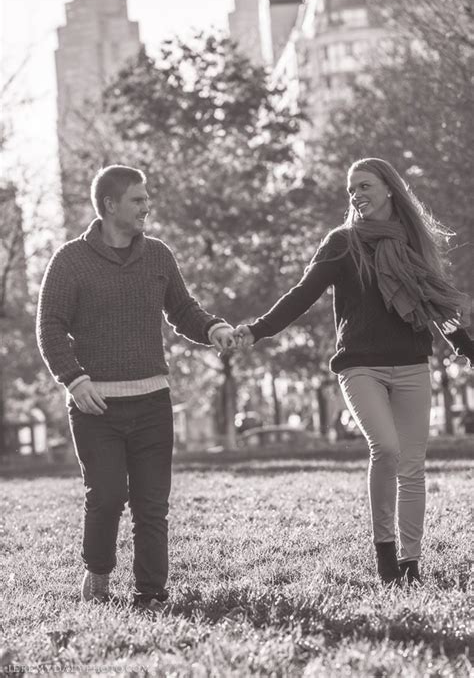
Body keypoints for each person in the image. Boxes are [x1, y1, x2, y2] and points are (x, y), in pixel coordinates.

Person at [234, 157, 474, 586]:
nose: (356, 195)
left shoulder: (412, 242)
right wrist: (257, 330)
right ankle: (385, 553)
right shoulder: (342, 243)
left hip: (412, 364)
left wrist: (464, 344)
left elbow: (431, 301)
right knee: (386, 448)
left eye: (364, 186)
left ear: (389, 189)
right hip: (360, 364)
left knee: (413, 465)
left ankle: (411, 563)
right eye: (351, 190)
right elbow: (301, 294)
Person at [36, 164, 235, 609]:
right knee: (106, 497)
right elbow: (49, 327)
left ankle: (151, 594)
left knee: (151, 506)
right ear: (110, 205)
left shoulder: (159, 255)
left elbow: (182, 309)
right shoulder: (69, 261)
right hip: (95, 406)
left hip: (151, 402)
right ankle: (99, 574)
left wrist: (213, 327)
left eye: (147, 199)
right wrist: (74, 379)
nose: (148, 206)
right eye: (138, 200)